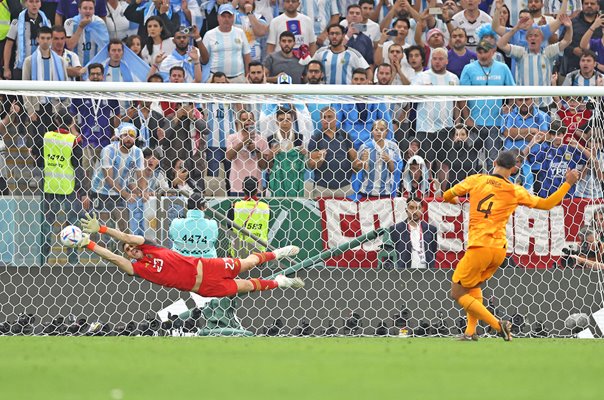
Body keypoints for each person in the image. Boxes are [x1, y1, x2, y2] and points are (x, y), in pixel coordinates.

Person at [442, 150, 580, 341]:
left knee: (457, 292)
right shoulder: (515, 190)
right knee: (473, 286)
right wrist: (568, 183)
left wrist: (455, 199)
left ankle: (499, 325)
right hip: (499, 250)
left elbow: (447, 194)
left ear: (494, 161)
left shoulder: (476, 180)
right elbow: (548, 204)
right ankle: (470, 332)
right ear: (514, 169)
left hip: (479, 246)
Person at [73, 213, 304, 297]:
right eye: (128, 252)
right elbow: (116, 259)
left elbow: (127, 237)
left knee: (248, 262)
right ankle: (279, 282)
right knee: (246, 286)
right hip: (204, 289)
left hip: (209, 267)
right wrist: (90, 245)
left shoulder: (152, 246)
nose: (130, 250)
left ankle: (276, 253)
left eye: (131, 248)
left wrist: (103, 229)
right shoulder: (139, 269)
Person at [40, 110, 85, 266]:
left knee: (47, 223)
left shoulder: (47, 137)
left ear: (56, 120)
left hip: (49, 185)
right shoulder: (74, 141)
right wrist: (82, 190)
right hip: (69, 187)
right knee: (72, 224)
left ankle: (42, 259)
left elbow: (39, 158)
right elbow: (78, 166)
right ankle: (73, 261)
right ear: (72, 122)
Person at [390, 197, 438, 269]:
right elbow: (392, 253)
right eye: (411, 208)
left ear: (422, 210)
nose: (415, 211)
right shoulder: (396, 229)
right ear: (406, 210)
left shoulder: (431, 229)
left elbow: (433, 251)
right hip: (404, 273)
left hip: (427, 273)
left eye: (418, 208)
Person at [230, 176, 270, 258]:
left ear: (242, 188)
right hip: (259, 252)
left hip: (239, 249)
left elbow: (229, 227)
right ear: (257, 189)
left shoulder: (235, 206)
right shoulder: (265, 207)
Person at [169, 192, 218, 258]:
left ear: (187, 206)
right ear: (202, 207)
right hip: (206, 264)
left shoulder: (176, 223)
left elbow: (172, 237)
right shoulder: (212, 225)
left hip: (181, 263)